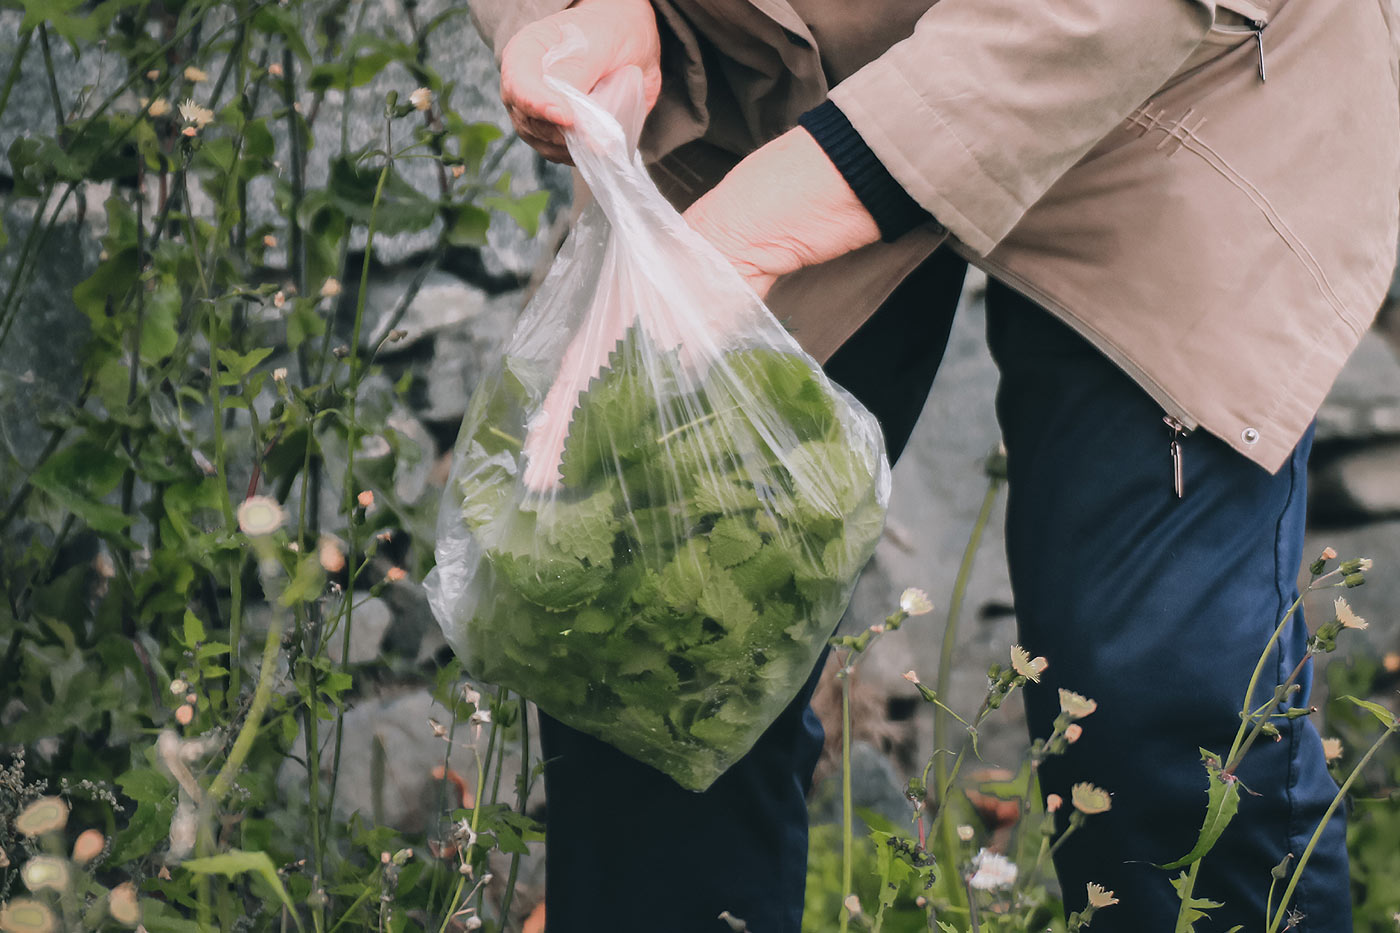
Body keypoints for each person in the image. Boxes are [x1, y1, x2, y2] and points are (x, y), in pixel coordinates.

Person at [463, 0, 1400, 929]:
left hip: (1173, 70)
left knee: (1157, 701)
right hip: (755, 67)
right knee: (645, 636)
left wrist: (748, 236)